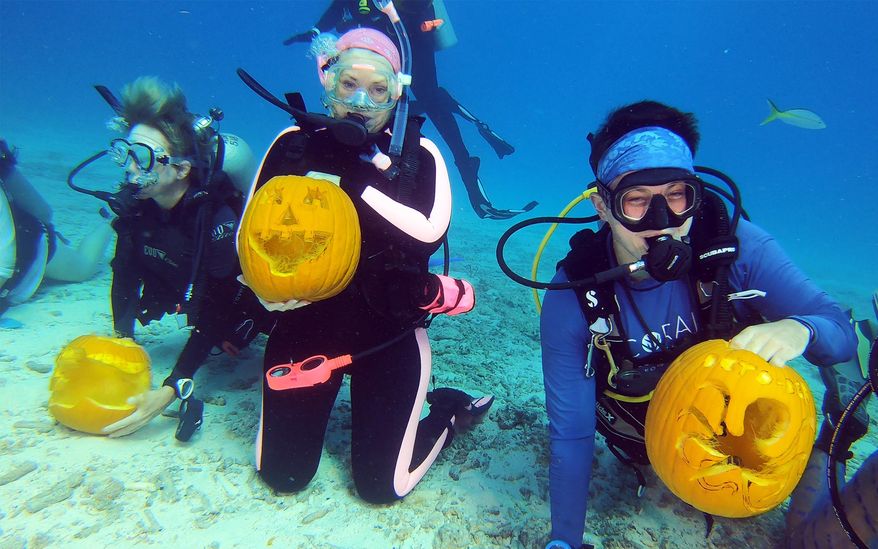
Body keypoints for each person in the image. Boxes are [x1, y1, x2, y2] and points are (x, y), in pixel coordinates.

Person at [537, 101, 858, 549]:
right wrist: (564, 540)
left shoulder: (739, 248)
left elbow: (839, 330)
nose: (662, 222)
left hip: (738, 437)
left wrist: (799, 329)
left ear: (696, 194)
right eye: (635, 200)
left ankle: (837, 432)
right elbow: (571, 432)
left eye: (675, 195)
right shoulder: (575, 296)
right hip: (644, 446)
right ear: (602, 207)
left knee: (841, 374)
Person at [246, 27, 493, 503]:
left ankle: (444, 410)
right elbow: (248, 234)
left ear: (398, 93)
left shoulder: (419, 154)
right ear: (326, 82)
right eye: (347, 84)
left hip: (388, 333)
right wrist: (264, 289)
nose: (361, 100)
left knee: (383, 489)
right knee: (283, 476)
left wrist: (354, 180)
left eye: (379, 88)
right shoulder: (291, 145)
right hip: (304, 327)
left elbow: (429, 231)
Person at [68, 76, 271, 439]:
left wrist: (174, 385)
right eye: (125, 153)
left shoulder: (216, 220)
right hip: (185, 291)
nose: (130, 168)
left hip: (240, 302)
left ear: (181, 169)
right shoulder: (138, 208)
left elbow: (217, 303)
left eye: (142, 156)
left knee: (246, 333)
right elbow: (124, 274)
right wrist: (123, 342)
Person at [283, 0, 537, 220]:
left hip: (412, 45)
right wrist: (317, 30)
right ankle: (443, 111)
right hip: (373, 57)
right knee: (402, 100)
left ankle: (469, 173)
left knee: (430, 100)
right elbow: (339, 7)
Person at [0, 138, 113, 325]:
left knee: (82, 267)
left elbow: (3, 268)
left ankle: (111, 221)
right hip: (24, 226)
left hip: (30, 244)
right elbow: (43, 211)